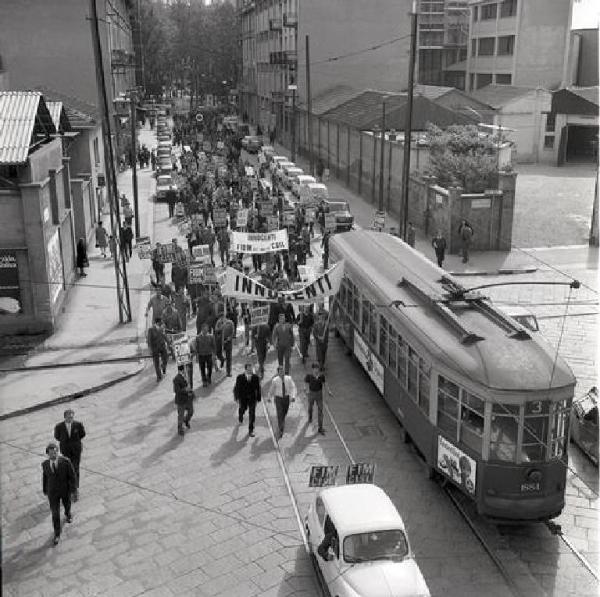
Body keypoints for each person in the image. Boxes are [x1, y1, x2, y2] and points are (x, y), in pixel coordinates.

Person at [42, 442, 76, 545]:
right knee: (55, 513)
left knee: (67, 504)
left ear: (58, 452)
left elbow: (72, 476)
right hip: (52, 493)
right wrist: (45, 489)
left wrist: (73, 490)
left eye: (55, 452)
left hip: (64, 490)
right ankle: (57, 534)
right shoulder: (45, 464)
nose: (54, 455)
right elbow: (45, 477)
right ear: (48, 454)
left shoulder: (65, 462)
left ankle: (68, 514)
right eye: (51, 453)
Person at [53, 409, 86, 497]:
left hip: (76, 450)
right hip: (66, 451)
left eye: (72, 417)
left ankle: (75, 489)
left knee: (75, 469)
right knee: (68, 469)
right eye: (68, 417)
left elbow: (83, 434)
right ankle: (69, 486)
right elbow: (57, 437)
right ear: (65, 417)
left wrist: (75, 443)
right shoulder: (59, 426)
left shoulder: (78, 425)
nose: (70, 419)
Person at [268, 366, 297, 439]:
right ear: (278, 373)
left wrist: (293, 396)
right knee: (279, 413)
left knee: (284, 412)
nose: (282, 373)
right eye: (280, 372)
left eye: (283, 371)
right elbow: (271, 389)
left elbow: (293, 387)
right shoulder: (275, 380)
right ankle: (281, 428)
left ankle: (282, 422)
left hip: (286, 398)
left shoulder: (289, 378)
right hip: (278, 398)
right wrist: (269, 397)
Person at [233, 363, 262, 437]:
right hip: (243, 398)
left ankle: (251, 430)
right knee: (242, 409)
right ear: (245, 369)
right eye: (248, 369)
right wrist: (236, 397)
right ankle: (240, 415)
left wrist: (259, 397)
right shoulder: (240, 377)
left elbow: (258, 388)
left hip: (252, 398)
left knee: (252, 413)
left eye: (251, 369)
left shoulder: (255, 377)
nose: (250, 370)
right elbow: (237, 388)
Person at [305, 363, 326, 434]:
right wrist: (307, 390)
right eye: (315, 368)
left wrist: (327, 392)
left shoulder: (321, 376)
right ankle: (310, 417)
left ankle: (320, 427)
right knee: (310, 407)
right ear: (312, 369)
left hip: (319, 394)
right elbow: (306, 383)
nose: (316, 370)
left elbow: (324, 384)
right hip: (311, 393)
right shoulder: (309, 376)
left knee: (320, 410)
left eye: (318, 368)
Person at [173, 365, 194, 436]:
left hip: (188, 399)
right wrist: (185, 390)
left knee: (191, 412)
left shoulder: (187, 376)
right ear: (182, 370)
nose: (187, 369)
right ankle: (180, 429)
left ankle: (186, 420)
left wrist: (191, 393)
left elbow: (190, 386)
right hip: (181, 400)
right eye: (186, 368)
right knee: (180, 415)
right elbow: (176, 390)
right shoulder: (176, 379)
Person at [147, 317, 169, 382]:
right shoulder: (150, 330)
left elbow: (164, 336)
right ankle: (159, 377)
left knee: (165, 358)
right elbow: (149, 340)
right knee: (156, 363)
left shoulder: (162, 328)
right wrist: (150, 349)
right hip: (155, 348)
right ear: (157, 322)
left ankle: (163, 366)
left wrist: (169, 342)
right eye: (160, 322)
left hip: (162, 346)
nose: (162, 323)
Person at [214, 311, 235, 376]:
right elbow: (216, 329)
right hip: (220, 341)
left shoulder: (230, 322)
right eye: (220, 318)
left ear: (224, 317)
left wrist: (230, 338)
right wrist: (221, 327)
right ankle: (222, 360)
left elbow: (233, 332)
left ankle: (228, 372)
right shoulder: (218, 322)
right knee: (218, 353)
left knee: (229, 357)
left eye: (221, 318)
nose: (220, 319)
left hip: (228, 341)